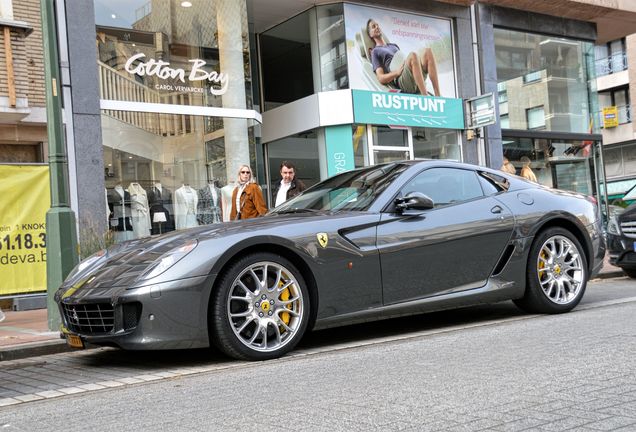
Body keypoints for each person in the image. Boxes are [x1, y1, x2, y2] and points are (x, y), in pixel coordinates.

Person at [366, 18, 441, 96]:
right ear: (370, 34)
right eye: (373, 26)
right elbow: (381, 78)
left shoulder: (393, 45)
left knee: (427, 51)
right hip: (402, 81)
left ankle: (438, 95)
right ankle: (425, 97)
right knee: (413, 55)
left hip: (411, 75)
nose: (377, 27)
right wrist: (396, 73)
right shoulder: (375, 51)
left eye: (377, 25)